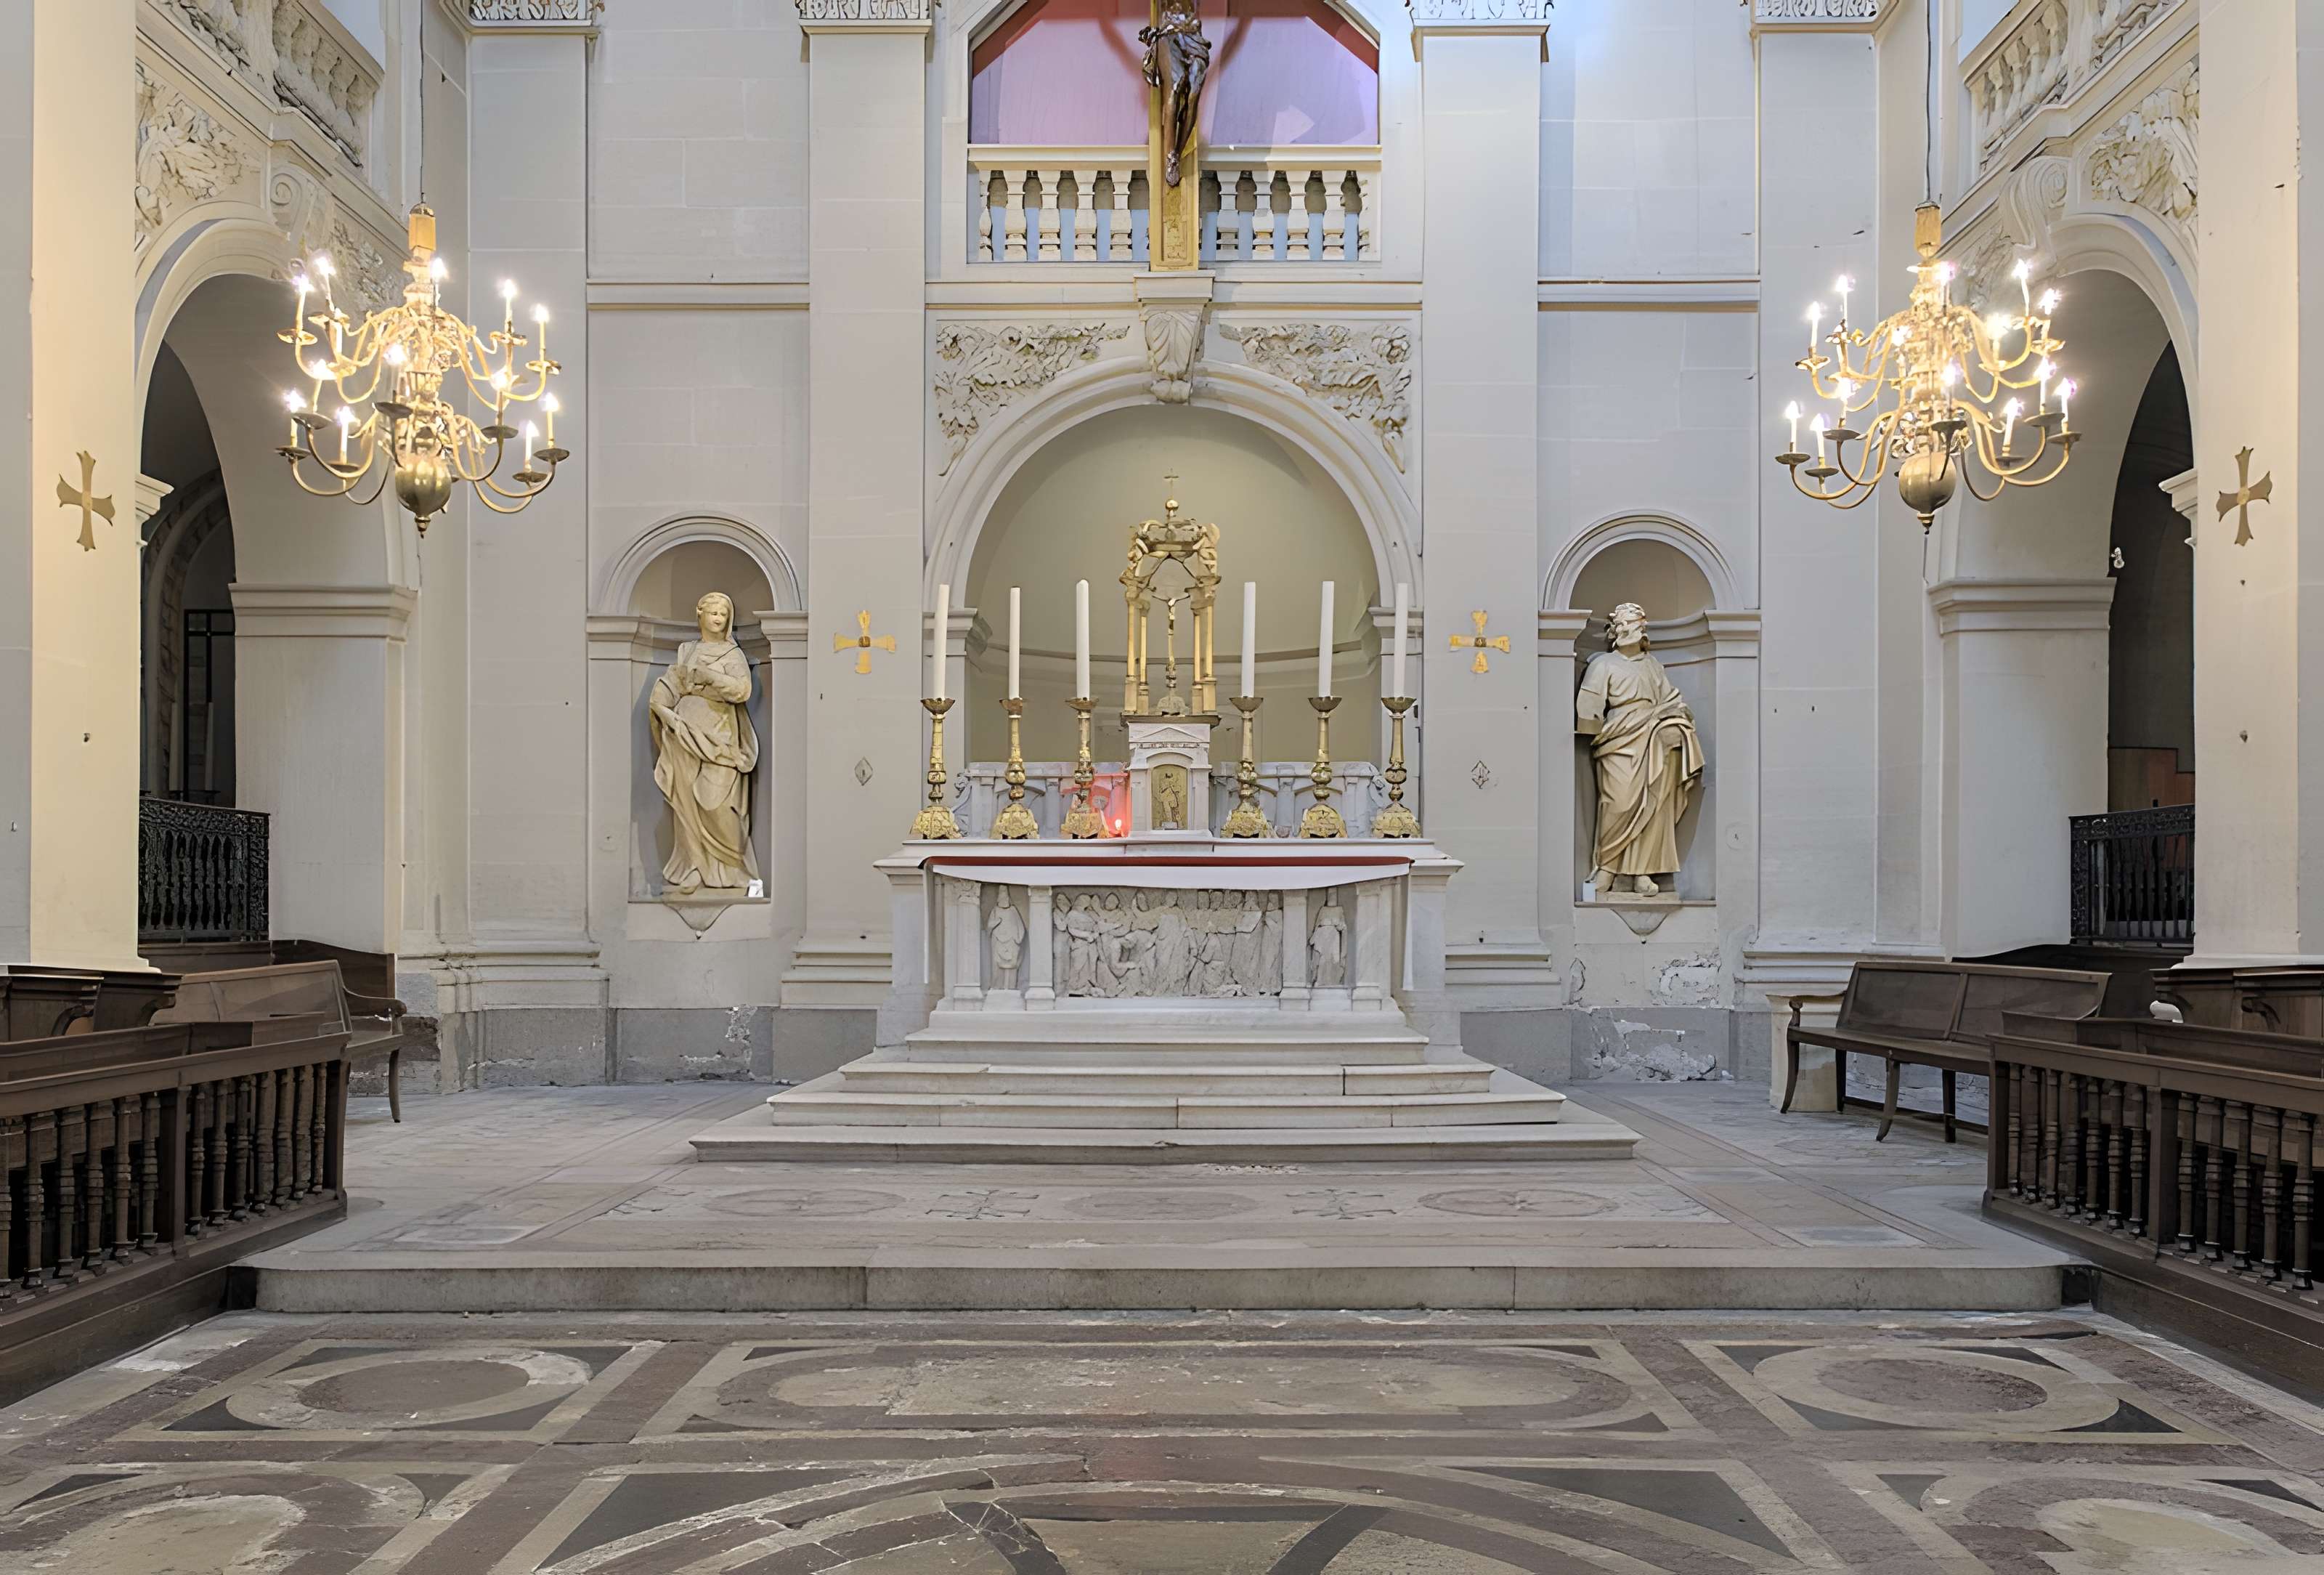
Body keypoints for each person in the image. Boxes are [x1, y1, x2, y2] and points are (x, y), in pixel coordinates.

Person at [1575, 602, 1705, 897]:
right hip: (1619, 737)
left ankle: (1642, 871)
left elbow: (1671, 700)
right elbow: (1589, 706)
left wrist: (1676, 722)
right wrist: (1591, 723)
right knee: (1618, 803)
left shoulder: (1652, 665)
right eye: (1618, 626)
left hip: (1654, 736)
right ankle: (1608, 865)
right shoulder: (1604, 664)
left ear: (1641, 629)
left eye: (1628, 624)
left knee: (1653, 804)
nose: (1621, 630)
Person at [650, 591, 759, 894]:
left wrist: (709, 675)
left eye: (723, 614)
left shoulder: (731, 654)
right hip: (684, 733)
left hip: (720, 734)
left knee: (716, 802)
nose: (718, 618)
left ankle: (734, 865)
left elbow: (742, 691)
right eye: (712, 612)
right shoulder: (687, 649)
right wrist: (663, 710)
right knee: (686, 803)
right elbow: (674, 682)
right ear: (699, 614)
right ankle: (696, 866)